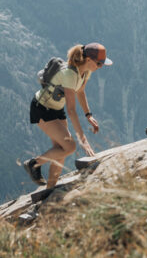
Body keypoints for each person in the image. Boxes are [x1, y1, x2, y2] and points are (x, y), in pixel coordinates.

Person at [23, 43, 112, 189]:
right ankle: (34, 164)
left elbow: (81, 92)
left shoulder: (85, 72)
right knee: (69, 147)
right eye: (99, 63)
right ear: (89, 59)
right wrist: (83, 140)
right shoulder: (69, 74)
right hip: (42, 109)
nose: (100, 66)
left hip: (56, 109)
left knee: (61, 151)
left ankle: (49, 190)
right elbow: (71, 110)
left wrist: (88, 114)